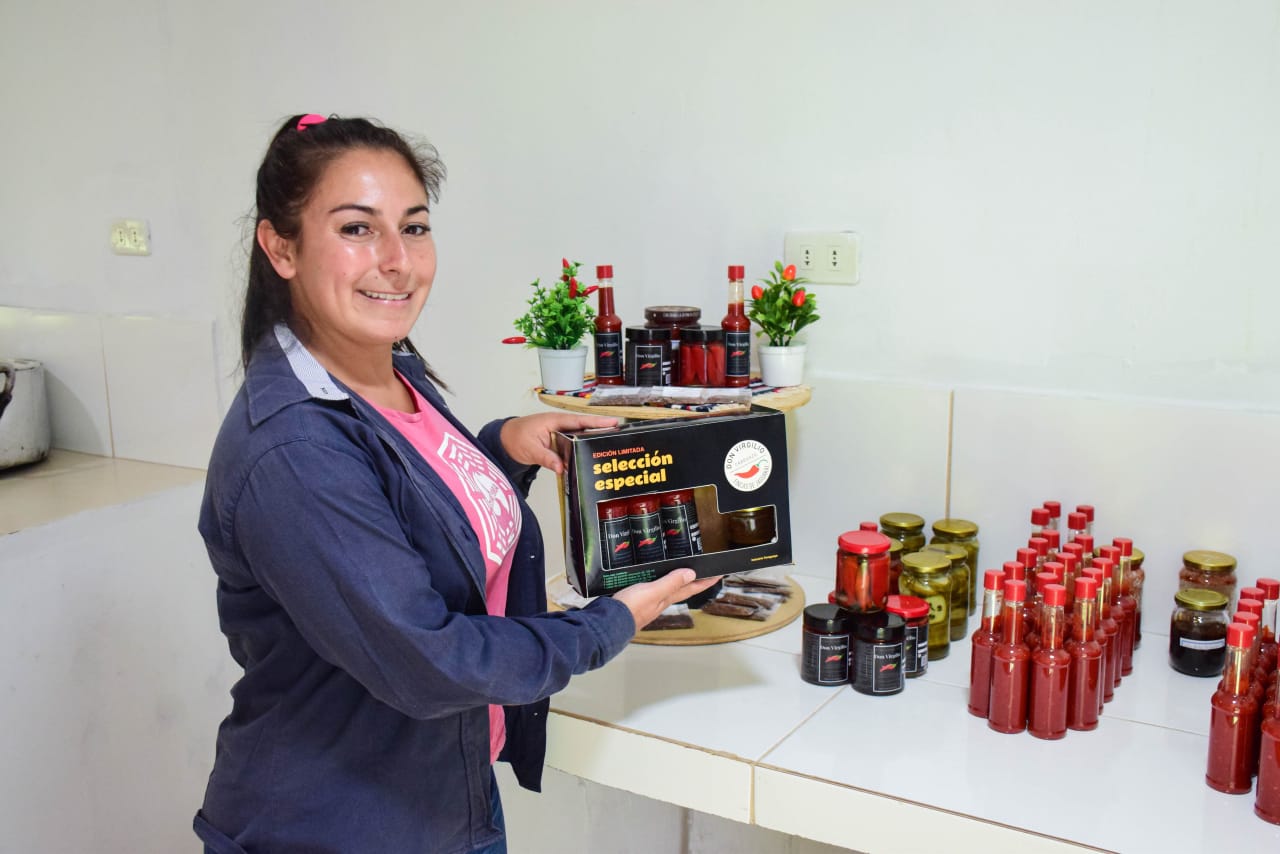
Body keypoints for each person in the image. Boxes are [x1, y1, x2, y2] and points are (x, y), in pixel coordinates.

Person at [194, 113, 718, 854]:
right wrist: (610, 623)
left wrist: (504, 448)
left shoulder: (389, 373)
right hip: (342, 828)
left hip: (445, 799)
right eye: (356, 229)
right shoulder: (294, 451)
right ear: (281, 247)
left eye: (413, 227)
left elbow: (409, 514)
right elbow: (432, 662)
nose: (396, 260)